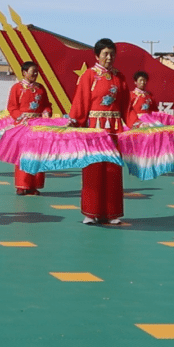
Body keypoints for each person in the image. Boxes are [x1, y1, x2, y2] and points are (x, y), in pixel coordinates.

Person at [70, 38, 129, 225]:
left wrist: (136, 123)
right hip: (95, 128)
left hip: (114, 129)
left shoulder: (120, 77)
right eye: (105, 54)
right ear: (97, 55)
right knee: (93, 169)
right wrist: (75, 121)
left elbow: (127, 106)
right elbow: (81, 101)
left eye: (112, 54)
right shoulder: (89, 75)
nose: (109, 57)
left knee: (112, 170)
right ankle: (91, 212)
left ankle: (112, 213)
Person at [7, 61, 52, 195]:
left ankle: (34, 185)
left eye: (37, 72)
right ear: (24, 73)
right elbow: (12, 107)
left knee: (37, 155)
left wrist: (46, 112)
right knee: (23, 155)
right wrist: (21, 118)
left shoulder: (40, 88)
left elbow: (46, 104)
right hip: (23, 125)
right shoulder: (17, 88)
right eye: (33, 72)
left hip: (38, 125)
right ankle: (22, 185)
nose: (36, 74)